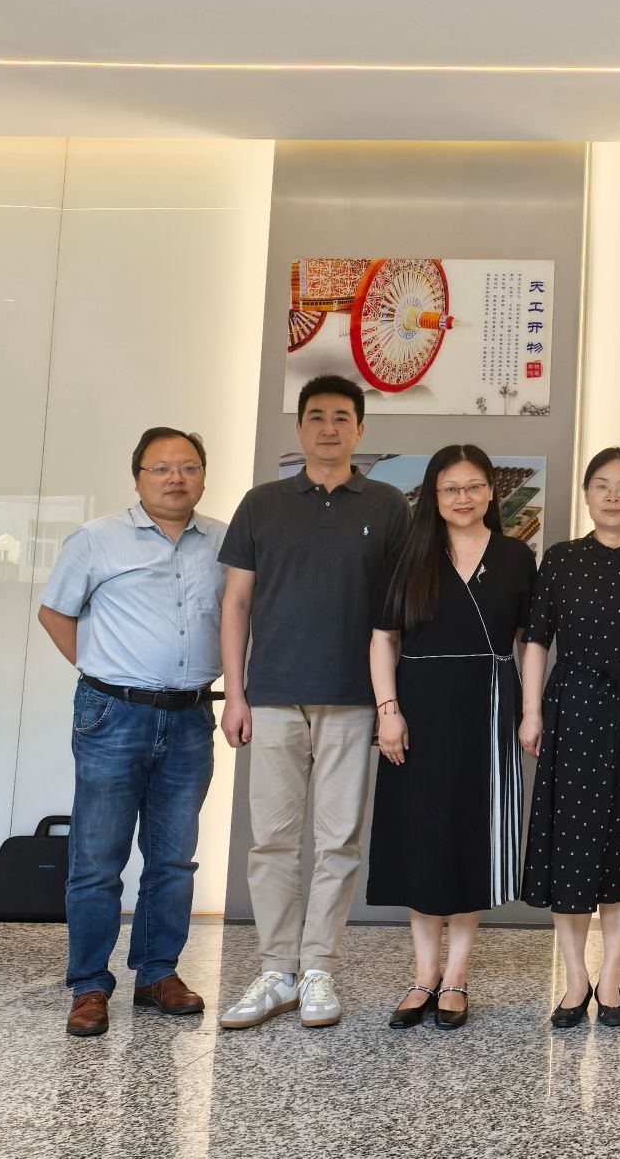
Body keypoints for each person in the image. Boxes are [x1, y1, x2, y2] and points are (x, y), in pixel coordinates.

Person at [216, 375, 410, 1031]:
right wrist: (235, 694)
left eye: (342, 418)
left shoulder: (388, 506)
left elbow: (397, 615)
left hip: (353, 700)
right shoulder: (261, 503)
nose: (329, 428)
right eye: (317, 417)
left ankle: (319, 966)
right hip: (272, 697)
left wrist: (389, 702)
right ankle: (277, 970)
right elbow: (236, 602)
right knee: (271, 841)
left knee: (338, 841)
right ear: (300, 428)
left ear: (361, 430)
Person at [38, 427, 226, 1037]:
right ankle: (89, 985)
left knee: (173, 859)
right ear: (138, 477)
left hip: (191, 716)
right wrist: (102, 672)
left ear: (203, 475)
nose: (176, 478)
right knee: (98, 859)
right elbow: (54, 612)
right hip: (112, 715)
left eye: (189, 467)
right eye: (161, 468)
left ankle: (157, 974)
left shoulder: (224, 542)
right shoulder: (97, 539)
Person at [366, 445, 535, 1031]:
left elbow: (527, 643)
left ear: (492, 491)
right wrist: (388, 711)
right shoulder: (409, 554)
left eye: (474, 486)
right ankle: (423, 975)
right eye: (450, 489)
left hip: (488, 709)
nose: (463, 498)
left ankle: (457, 977)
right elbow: (383, 638)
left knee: (470, 839)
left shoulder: (516, 557)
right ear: (433, 497)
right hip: (418, 709)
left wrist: (529, 710)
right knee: (422, 838)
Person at [519, 448, 620, 1030]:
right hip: (573, 708)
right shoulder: (560, 559)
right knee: (571, 846)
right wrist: (531, 712)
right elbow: (537, 640)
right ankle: (575, 978)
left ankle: (611, 977)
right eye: (603, 485)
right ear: (586, 495)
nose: (613, 496)